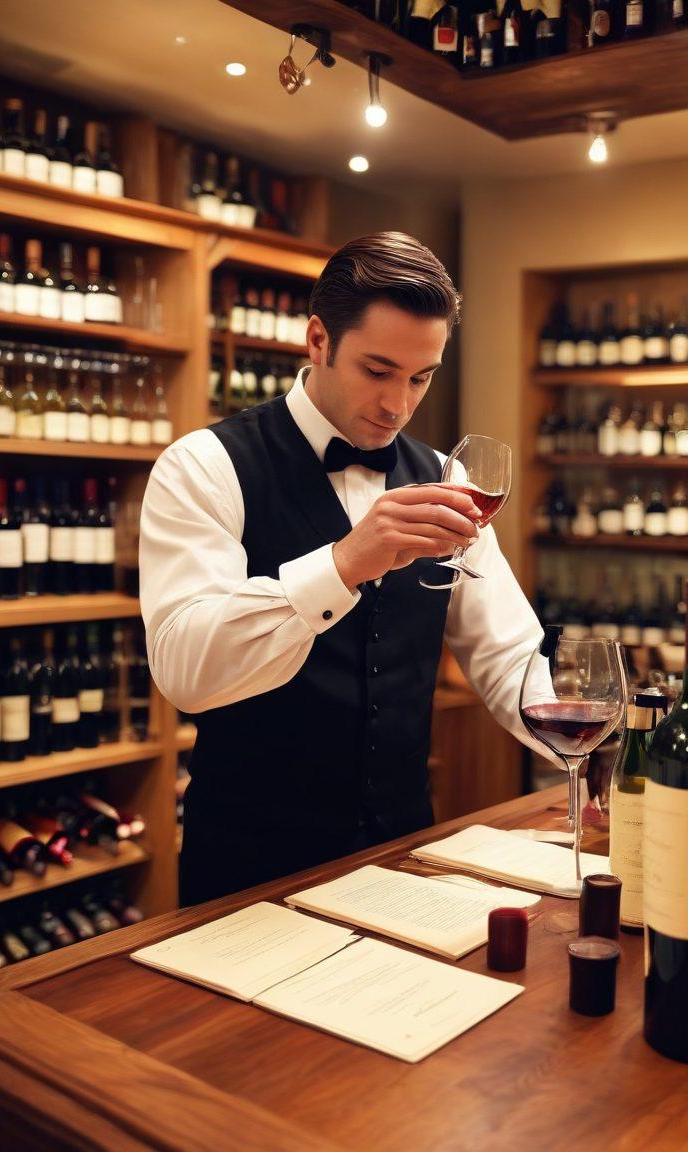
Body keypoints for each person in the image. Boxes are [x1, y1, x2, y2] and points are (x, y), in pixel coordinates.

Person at [140, 231, 544, 906]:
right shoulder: (203, 467)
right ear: (318, 340)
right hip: (247, 874)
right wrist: (346, 562)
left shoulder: (447, 476)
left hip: (402, 860)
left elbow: (508, 656)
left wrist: (598, 745)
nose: (399, 405)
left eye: (422, 377)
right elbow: (187, 672)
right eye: (378, 371)